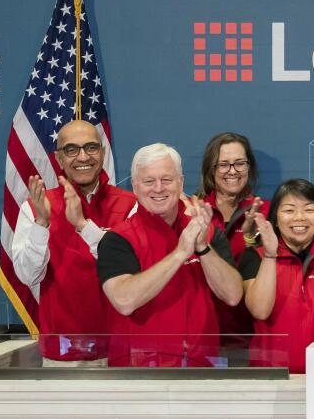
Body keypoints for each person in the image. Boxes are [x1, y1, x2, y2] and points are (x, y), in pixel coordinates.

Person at [97, 143, 243, 367]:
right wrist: (180, 253)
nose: (158, 188)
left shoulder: (207, 230)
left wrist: (203, 247)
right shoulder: (117, 239)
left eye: (166, 180)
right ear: (135, 187)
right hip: (139, 375)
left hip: (201, 369)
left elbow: (232, 295)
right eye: (148, 181)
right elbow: (124, 301)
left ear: (180, 183)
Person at [10, 119, 135, 365]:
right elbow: (27, 276)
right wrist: (41, 224)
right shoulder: (36, 206)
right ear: (58, 158)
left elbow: (132, 272)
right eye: (71, 149)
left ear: (102, 152)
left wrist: (83, 225)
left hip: (120, 351)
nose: (82, 157)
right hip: (62, 355)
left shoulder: (131, 204)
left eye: (91, 147)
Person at [238, 179, 314, 373]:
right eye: (289, 210)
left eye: (309, 209)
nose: (299, 217)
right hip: (271, 376)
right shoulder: (256, 256)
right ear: (275, 217)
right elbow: (260, 310)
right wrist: (269, 254)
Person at [195, 132, 267, 344]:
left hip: (251, 335)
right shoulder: (193, 212)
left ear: (249, 167)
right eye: (223, 165)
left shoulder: (266, 212)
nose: (232, 171)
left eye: (240, 163)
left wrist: (251, 239)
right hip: (200, 335)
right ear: (211, 169)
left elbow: (277, 275)